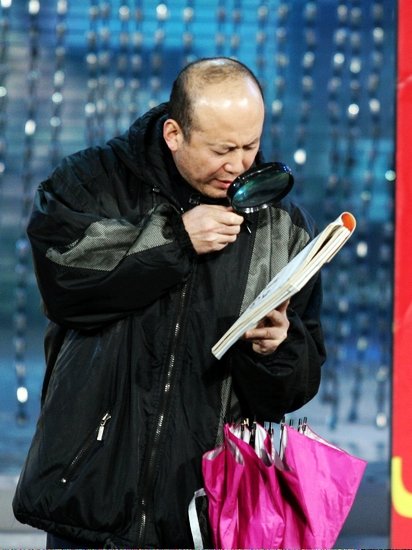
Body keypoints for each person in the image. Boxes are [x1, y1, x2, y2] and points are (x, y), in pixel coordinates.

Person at [13, 57, 326, 548]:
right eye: (222, 150)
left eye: (250, 146)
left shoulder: (281, 226)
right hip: (92, 495)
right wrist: (175, 240)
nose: (239, 166)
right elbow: (65, 286)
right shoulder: (90, 183)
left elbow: (292, 391)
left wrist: (276, 348)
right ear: (174, 133)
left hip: (209, 512)